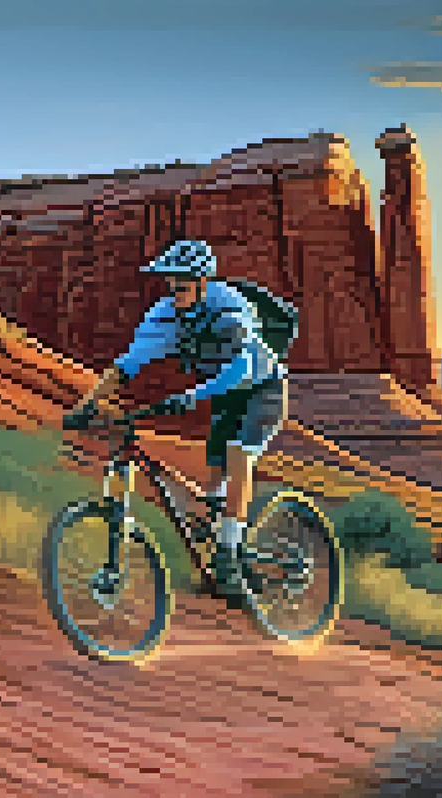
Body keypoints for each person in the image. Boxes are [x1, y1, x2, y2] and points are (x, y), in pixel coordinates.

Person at [63, 239, 288, 608]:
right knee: (213, 474)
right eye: (169, 282)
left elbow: (241, 369)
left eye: (181, 283)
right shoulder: (164, 315)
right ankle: (217, 538)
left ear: (202, 282)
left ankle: (230, 550)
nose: (173, 289)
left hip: (261, 389)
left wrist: (194, 395)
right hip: (221, 394)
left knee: (237, 454)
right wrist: (87, 405)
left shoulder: (230, 309)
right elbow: (127, 364)